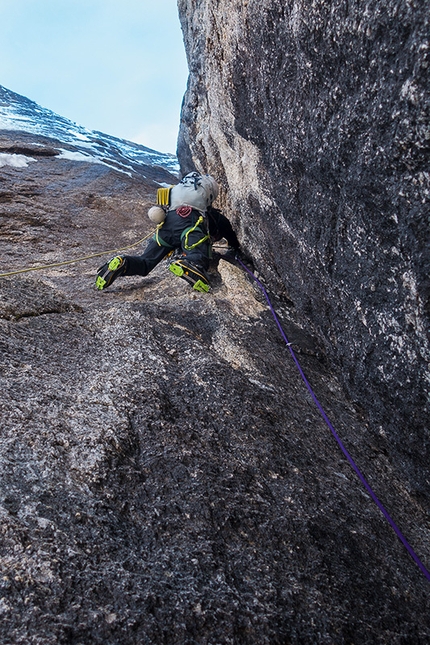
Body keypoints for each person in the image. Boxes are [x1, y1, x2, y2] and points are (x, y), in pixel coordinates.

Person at [95, 172, 241, 293]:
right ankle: (191, 264)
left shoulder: (174, 200)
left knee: (146, 262)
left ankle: (123, 263)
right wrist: (236, 248)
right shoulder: (209, 215)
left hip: (165, 226)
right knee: (198, 253)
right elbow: (226, 228)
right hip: (189, 226)